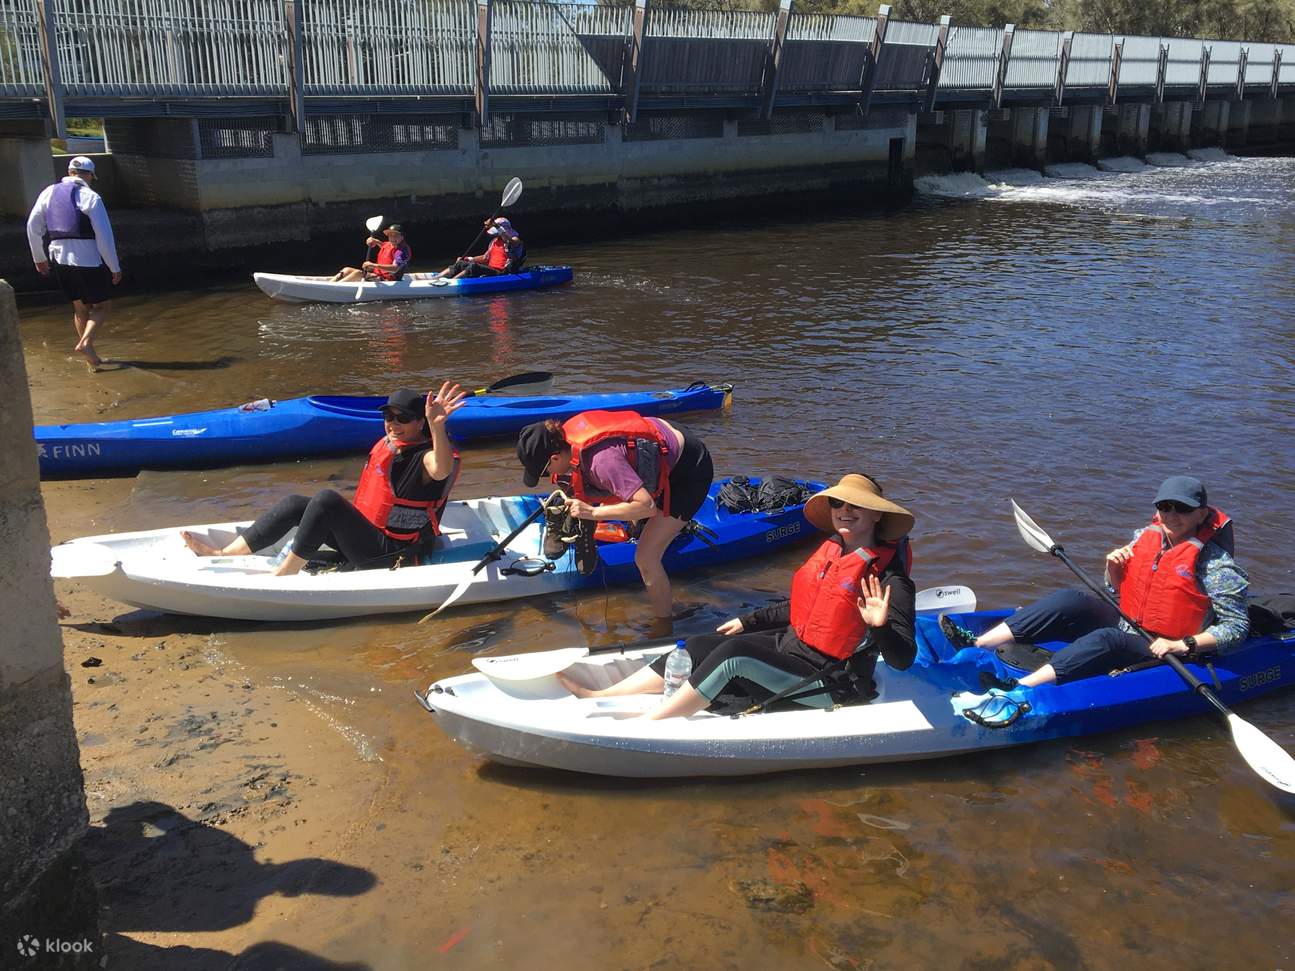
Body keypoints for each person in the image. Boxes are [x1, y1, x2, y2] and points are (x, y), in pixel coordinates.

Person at [558, 473, 918, 720]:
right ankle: (602, 696)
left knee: (734, 654)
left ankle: (652, 723)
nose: (845, 511)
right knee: (702, 643)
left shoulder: (891, 580)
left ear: (876, 516)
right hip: (794, 652)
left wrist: (881, 626)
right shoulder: (833, 554)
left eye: (856, 506)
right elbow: (806, 608)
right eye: (839, 504)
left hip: (830, 682)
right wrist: (748, 620)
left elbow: (902, 658)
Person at [943, 475, 1249, 695]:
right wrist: (1112, 567)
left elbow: (1236, 627)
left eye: (1181, 508)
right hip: (1131, 621)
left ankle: (1020, 688)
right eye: (1165, 507)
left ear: (1201, 513)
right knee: (1069, 599)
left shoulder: (1215, 563)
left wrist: (1183, 644)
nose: (1171, 515)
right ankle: (976, 644)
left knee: (1107, 639)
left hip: (1166, 645)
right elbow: (1116, 589)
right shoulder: (1146, 536)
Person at [181, 383, 467, 577]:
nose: (393, 423)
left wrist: (437, 426)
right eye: (388, 416)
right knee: (296, 504)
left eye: (402, 418)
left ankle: (285, 575)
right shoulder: (395, 445)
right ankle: (221, 552)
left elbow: (441, 468)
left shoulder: (426, 456)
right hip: (369, 538)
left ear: (420, 423)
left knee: (326, 501)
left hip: (393, 553)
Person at [515, 410, 714, 623]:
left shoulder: (601, 464)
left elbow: (647, 506)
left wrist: (592, 513)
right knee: (586, 489)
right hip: (661, 442)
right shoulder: (567, 436)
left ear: (555, 457)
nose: (547, 478)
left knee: (646, 558)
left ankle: (664, 625)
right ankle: (607, 525)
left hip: (688, 471)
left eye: (544, 471)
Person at [26, 156, 122, 372]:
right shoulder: (91, 197)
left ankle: (92, 360)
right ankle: (86, 343)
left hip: (59, 258)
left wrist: (38, 258)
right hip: (87, 259)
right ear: (89, 176)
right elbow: (104, 237)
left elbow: (32, 227)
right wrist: (114, 267)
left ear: (69, 172)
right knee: (102, 306)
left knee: (80, 309)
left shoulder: (48, 192)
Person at [435, 218, 522, 279]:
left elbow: (510, 242)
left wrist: (496, 226)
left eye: (497, 229)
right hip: (492, 270)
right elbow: (485, 258)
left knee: (474, 267)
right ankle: (435, 278)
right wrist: (468, 259)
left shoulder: (515, 239)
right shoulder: (494, 241)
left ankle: (450, 283)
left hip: (503, 273)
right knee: (460, 263)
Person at [330, 223, 411, 283]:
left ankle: (335, 288)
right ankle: (330, 283)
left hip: (388, 280)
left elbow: (396, 268)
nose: (393, 238)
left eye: (396, 236)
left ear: (402, 237)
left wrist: (373, 265)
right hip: (378, 276)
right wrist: (376, 241)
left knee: (358, 273)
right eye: (390, 235)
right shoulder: (389, 244)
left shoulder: (401, 252)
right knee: (346, 269)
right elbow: (385, 247)